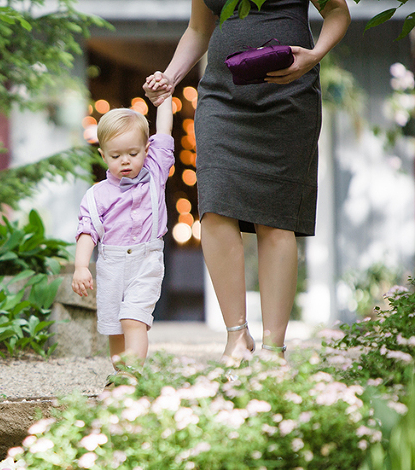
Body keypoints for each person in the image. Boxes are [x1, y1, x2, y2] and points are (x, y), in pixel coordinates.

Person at [143, 0, 350, 364]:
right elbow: (198, 29)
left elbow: (338, 11)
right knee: (214, 207)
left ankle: (274, 349)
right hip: (222, 100)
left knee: (276, 219)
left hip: (289, 97)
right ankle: (236, 335)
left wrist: (315, 55)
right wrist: (170, 78)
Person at [72, 99, 174, 384]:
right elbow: (87, 231)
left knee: (133, 318)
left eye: (133, 153)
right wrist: (81, 266)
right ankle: (120, 379)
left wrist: (165, 98)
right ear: (103, 155)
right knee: (115, 328)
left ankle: (132, 375)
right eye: (116, 156)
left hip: (146, 260)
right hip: (111, 265)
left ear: (146, 150)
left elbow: (165, 132)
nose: (126, 161)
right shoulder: (96, 195)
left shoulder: (155, 175)